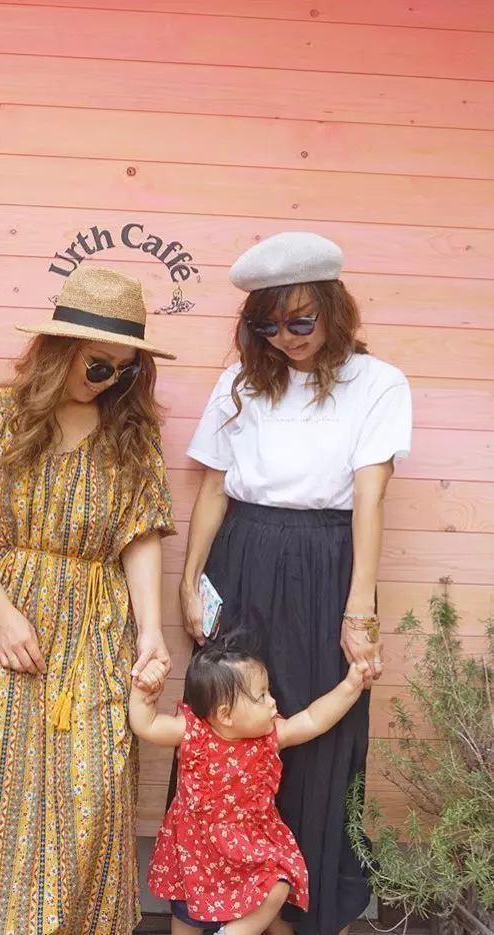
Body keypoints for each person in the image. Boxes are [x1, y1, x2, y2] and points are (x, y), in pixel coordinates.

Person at [0, 266, 176, 935]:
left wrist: (151, 631)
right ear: (59, 350)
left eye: (125, 371)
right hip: (0, 611)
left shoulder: (130, 432)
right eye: (99, 365)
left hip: (95, 623)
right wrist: (1, 613)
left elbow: (140, 534)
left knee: (92, 786)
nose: (109, 380)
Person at [178, 232, 413, 935]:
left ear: (335, 310)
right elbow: (214, 488)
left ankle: (301, 909)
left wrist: (359, 608)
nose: (285, 339)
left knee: (315, 730)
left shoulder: (378, 383)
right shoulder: (240, 382)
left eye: (300, 321)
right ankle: (217, 902)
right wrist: (190, 580)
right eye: (268, 327)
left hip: (326, 562)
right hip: (242, 554)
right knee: (223, 724)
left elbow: (370, 496)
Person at [131, 640, 368, 935]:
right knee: (187, 913)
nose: (273, 702)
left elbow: (312, 719)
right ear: (225, 715)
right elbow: (147, 725)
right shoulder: (193, 733)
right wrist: (143, 691)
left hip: (249, 846)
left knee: (279, 884)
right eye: (261, 696)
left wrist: (350, 687)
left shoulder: (270, 737)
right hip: (196, 849)